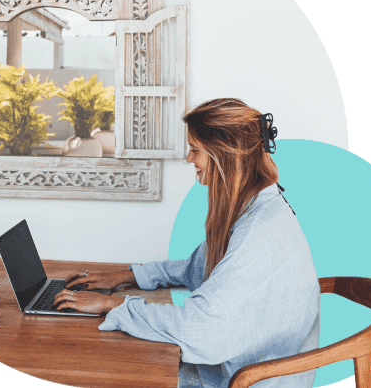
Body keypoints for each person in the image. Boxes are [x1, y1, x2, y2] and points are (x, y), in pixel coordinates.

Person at [53, 98, 320, 388]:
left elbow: (200, 330)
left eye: (195, 150)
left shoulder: (258, 233)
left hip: (248, 379)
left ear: (225, 157)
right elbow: (199, 265)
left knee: (107, 369)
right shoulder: (258, 206)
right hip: (240, 366)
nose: (189, 159)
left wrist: (114, 305)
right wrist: (127, 276)